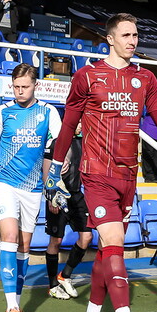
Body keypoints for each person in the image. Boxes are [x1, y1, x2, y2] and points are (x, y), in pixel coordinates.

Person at [46, 12, 157, 312]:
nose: (133, 40)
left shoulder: (145, 78)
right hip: (95, 173)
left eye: (136, 34)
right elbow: (69, 125)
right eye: (126, 34)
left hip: (129, 176)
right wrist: (55, 167)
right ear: (110, 39)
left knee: (106, 251)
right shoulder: (87, 76)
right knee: (114, 243)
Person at [0, 64, 62, 312]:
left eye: (25, 87)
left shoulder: (48, 112)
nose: (20, 92)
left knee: (24, 247)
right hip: (5, 183)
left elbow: (60, 142)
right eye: (16, 87)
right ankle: (11, 309)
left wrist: (60, 164)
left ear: (36, 86)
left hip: (33, 189)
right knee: (9, 236)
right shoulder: (2, 112)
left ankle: (18, 308)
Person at [45, 122, 94, 300]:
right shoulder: (55, 143)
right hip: (57, 194)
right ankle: (52, 285)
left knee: (87, 237)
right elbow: (46, 169)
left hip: (76, 196)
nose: (80, 126)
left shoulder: (84, 143)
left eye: (82, 122)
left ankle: (65, 275)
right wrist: (51, 196)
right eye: (78, 122)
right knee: (55, 241)